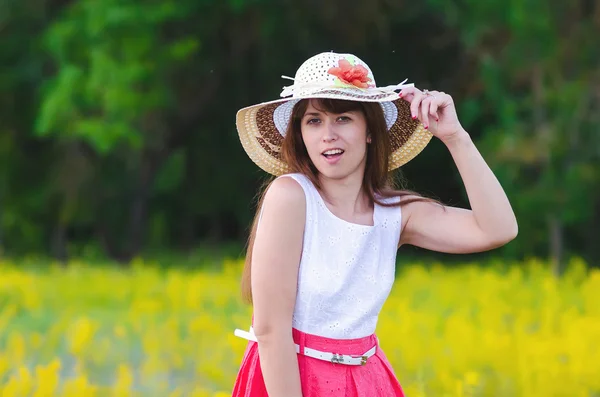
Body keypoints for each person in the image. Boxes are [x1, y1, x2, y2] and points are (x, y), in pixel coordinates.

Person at [231, 52, 518, 397]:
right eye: (314, 121)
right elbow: (270, 329)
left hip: (367, 380)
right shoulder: (291, 196)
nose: (327, 135)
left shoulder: (394, 212)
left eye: (343, 119)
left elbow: (498, 229)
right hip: (290, 377)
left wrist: (456, 137)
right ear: (300, 134)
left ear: (369, 130)